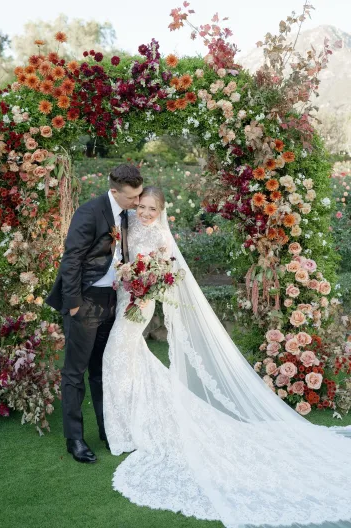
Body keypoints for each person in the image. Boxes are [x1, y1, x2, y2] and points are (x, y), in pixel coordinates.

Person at [103, 185, 351, 528]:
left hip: (140, 304)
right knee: (126, 359)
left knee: (117, 354)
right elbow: (119, 253)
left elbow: (168, 274)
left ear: (161, 211)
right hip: (123, 299)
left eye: (151, 208)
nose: (144, 212)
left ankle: (123, 430)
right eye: (142, 206)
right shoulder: (127, 221)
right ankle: (128, 423)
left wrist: (147, 284)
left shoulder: (161, 235)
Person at [46, 164, 143, 463]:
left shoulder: (126, 214)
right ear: (114, 191)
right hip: (84, 301)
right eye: (132, 198)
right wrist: (73, 303)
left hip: (110, 300)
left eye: (139, 196)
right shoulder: (89, 213)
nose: (137, 203)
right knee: (75, 373)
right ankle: (74, 439)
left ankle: (107, 429)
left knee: (102, 372)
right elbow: (71, 259)